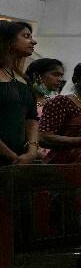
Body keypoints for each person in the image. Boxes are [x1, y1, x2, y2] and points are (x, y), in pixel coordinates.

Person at [0, 21, 39, 166]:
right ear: (7, 40)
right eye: (26, 36)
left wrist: (32, 151)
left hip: (20, 158)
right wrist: (12, 156)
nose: (33, 41)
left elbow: (32, 119)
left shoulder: (23, 79)